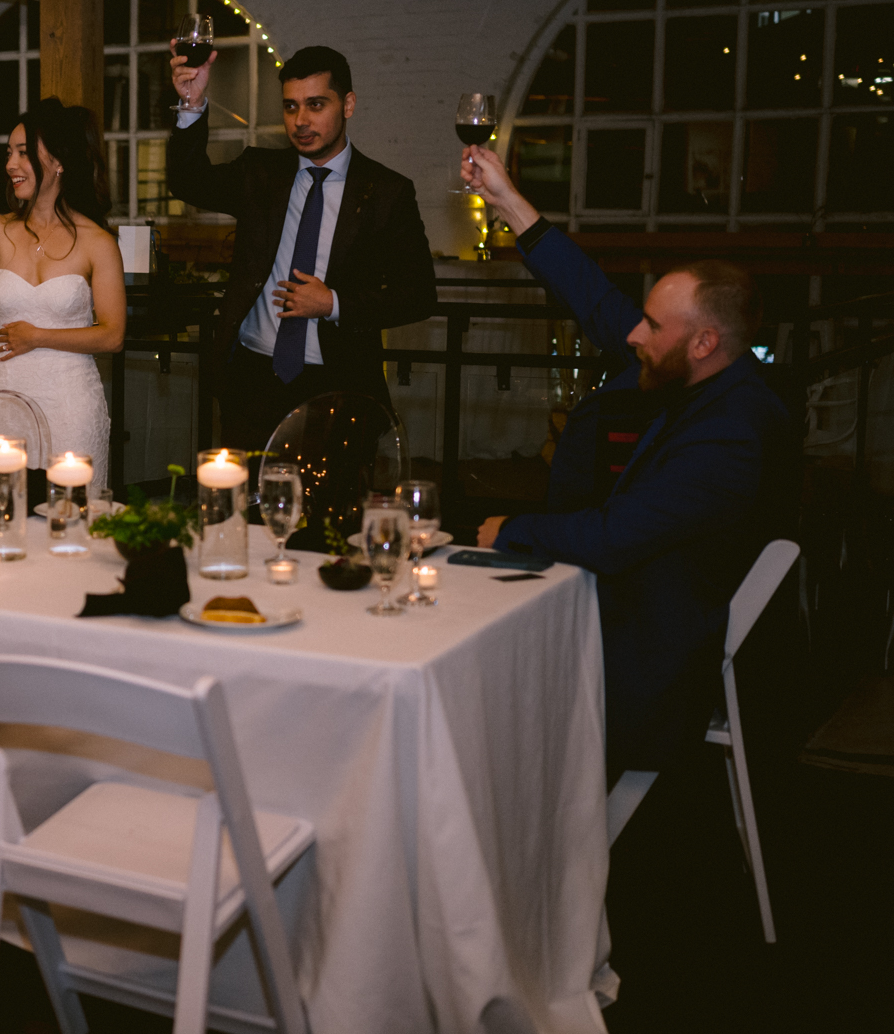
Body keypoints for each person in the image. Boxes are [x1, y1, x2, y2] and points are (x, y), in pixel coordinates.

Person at [463, 144, 794, 779]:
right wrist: (508, 202)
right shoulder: (710, 377)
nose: (633, 336)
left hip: (646, 661)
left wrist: (512, 529)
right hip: (641, 611)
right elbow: (596, 301)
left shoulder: (734, 433)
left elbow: (615, 539)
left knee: (473, 679)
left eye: (650, 326)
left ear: (702, 341)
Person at [167, 45, 436, 454]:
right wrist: (191, 103)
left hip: (337, 385)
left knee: (329, 514)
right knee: (247, 509)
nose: (301, 121)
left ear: (347, 105)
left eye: (316, 105)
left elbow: (418, 294)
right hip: (252, 379)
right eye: (290, 107)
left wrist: (333, 303)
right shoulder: (260, 173)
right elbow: (188, 182)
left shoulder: (386, 192)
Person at [0, 96, 124, 492]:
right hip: (4, 402)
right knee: (3, 515)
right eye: (9, 153)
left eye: (24, 153)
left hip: (70, 404)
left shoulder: (97, 242)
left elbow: (112, 335)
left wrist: (39, 336)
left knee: (69, 519)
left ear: (59, 161)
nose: (11, 164)